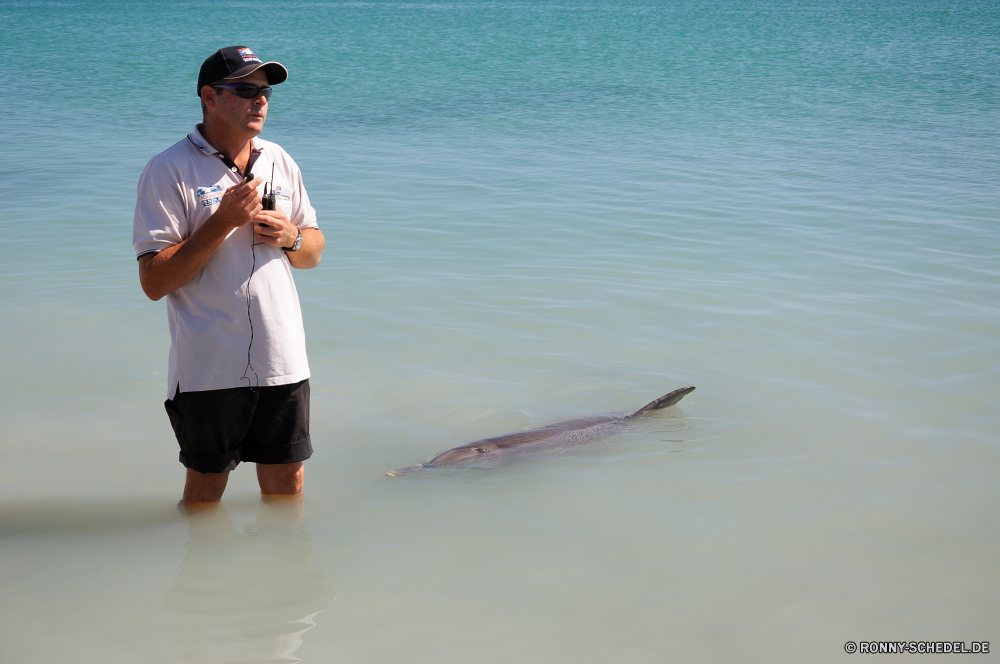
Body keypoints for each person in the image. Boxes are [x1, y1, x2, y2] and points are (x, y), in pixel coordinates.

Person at [133, 46, 325, 504]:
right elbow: (154, 282)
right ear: (209, 97)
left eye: (264, 92)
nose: (259, 100)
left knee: (288, 482)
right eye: (245, 90)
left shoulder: (279, 158)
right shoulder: (168, 169)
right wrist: (221, 221)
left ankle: (283, 572)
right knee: (206, 488)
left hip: (282, 358)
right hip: (209, 364)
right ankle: (199, 576)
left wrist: (292, 237)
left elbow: (314, 251)